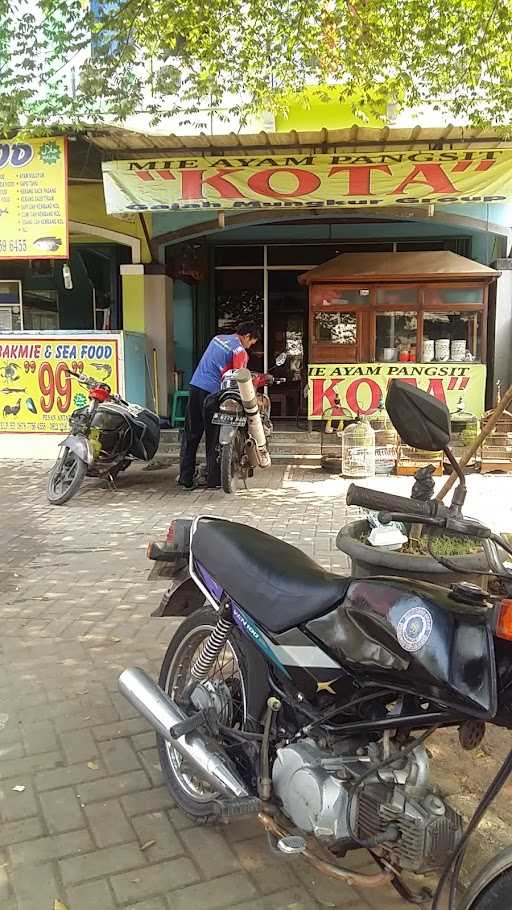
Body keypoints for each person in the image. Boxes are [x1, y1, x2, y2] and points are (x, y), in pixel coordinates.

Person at [178, 322, 260, 490]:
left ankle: (185, 479)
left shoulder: (217, 339)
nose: (250, 346)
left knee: (191, 434)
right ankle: (214, 479)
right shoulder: (239, 351)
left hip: (195, 387)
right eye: (251, 342)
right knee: (213, 436)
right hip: (213, 394)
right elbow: (238, 378)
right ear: (246, 336)